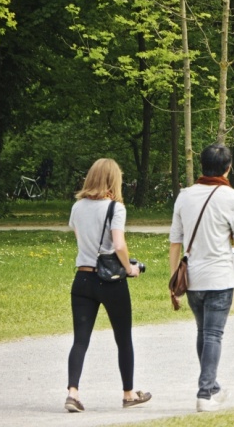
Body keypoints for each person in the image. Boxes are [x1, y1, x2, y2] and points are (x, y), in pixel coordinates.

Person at [169, 143, 234, 413]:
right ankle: (204, 394)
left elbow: (175, 242)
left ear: (202, 165)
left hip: (192, 280)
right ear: (228, 168)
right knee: (213, 334)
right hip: (219, 278)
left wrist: (172, 280)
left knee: (204, 332)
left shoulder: (184, 196)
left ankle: (212, 386)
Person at [66, 158, 151, 413]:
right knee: (123, 338)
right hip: (110, 282)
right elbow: (119, 245)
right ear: (114, 180)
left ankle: (73, 393)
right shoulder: (116, 208)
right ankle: (128, 393)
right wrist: (129, 268)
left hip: (82, 279)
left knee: (80, 339)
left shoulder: (77, 207)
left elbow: (81, 239)